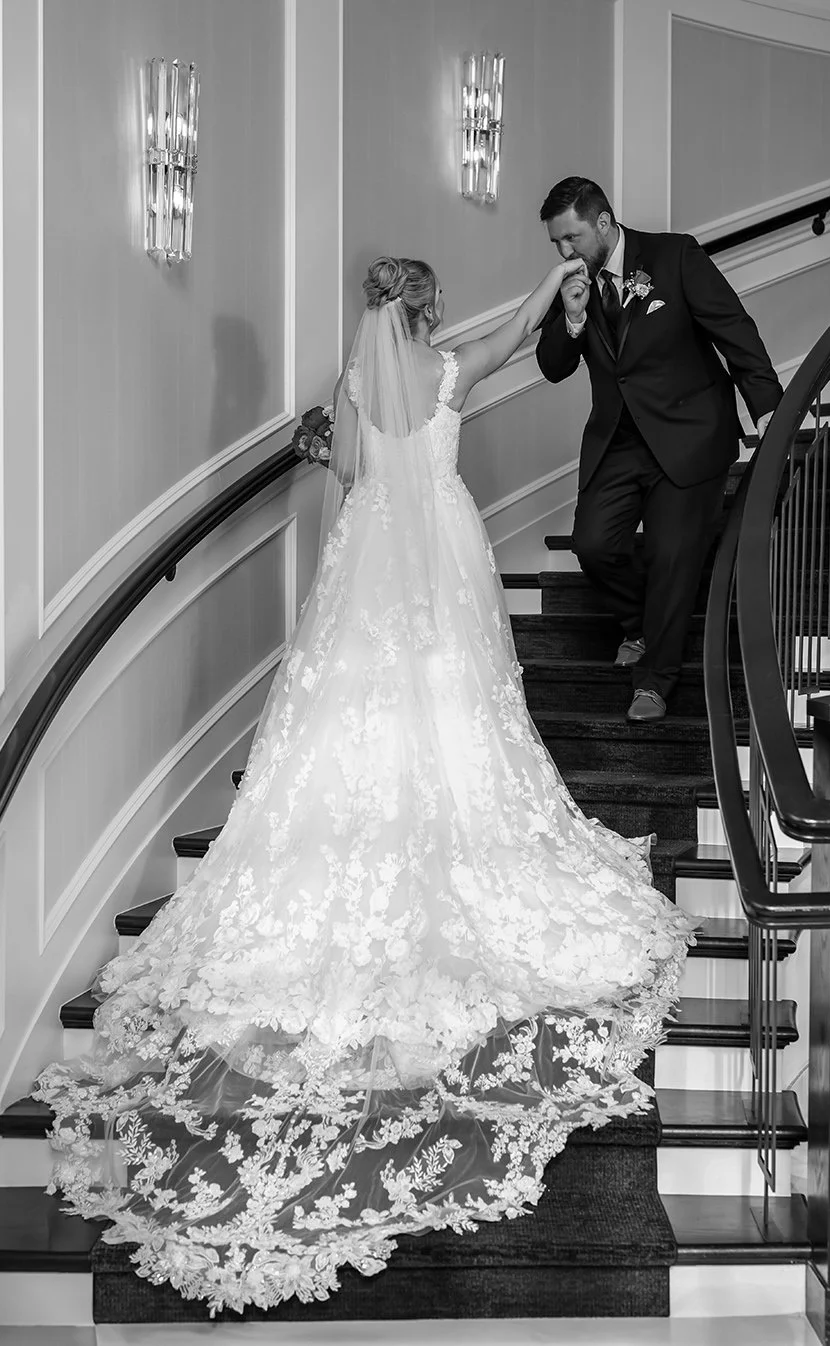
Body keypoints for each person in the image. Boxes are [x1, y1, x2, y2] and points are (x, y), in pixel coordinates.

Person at [35, 255, 697, 1315]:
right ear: (426, 308)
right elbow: (526, 334)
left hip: (367, 564)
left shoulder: (355, 389)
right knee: (458, 709)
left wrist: (340, 424)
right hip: (439, 552)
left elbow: (345, 472)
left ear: (371, 316)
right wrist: (551, 276)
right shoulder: (445, 369)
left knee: (348, 717)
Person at [536, 177, 783, 722]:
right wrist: (573, 319)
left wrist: (769, 408)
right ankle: (640, 626)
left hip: (689, 432)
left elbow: (732, 328)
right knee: (592, 544)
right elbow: (553, 367)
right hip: (619, 441)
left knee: (674, 555)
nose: (563, 252)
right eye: (556, 242)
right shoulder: (573, 283)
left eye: (570, 238)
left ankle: (655, 683)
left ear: (603, 223)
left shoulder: (674, 256)